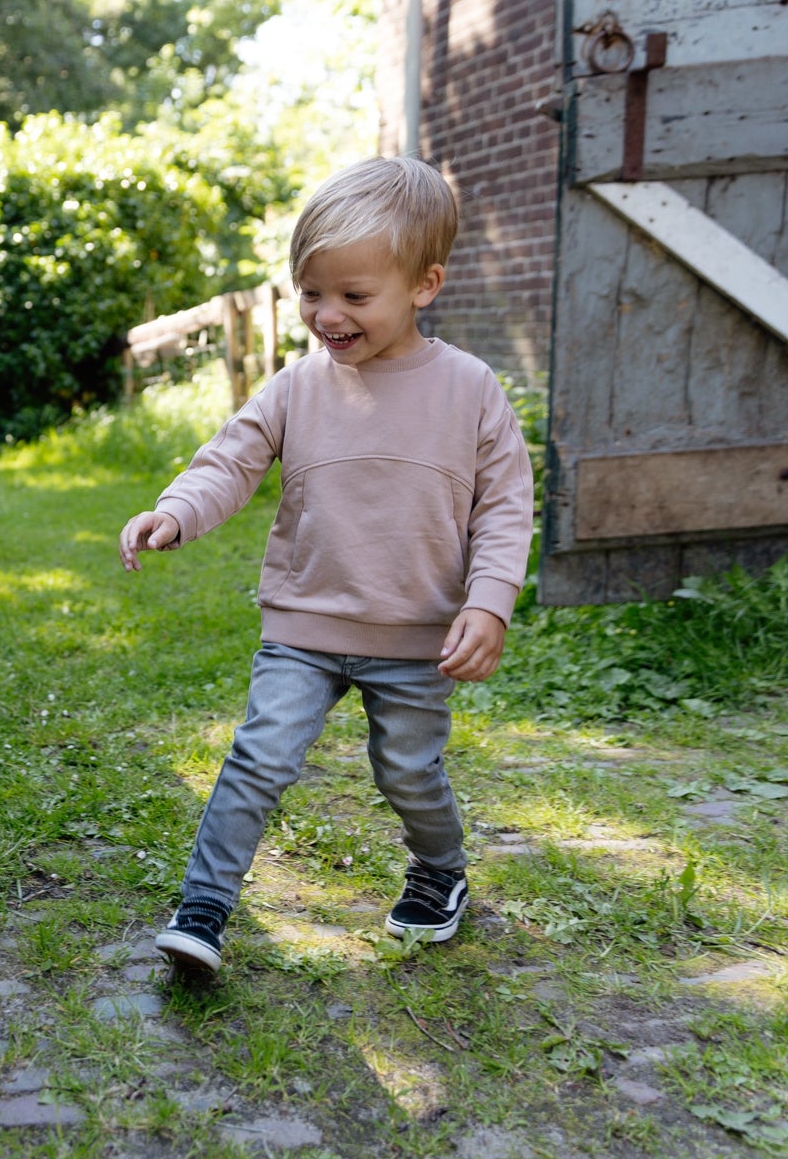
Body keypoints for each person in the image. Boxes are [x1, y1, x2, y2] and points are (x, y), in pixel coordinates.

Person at [117, 156, 534, 974]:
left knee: (406, 770)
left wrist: (488, 602)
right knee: (258, 758)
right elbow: (228, 460)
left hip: (415, 637)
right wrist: (175, 511)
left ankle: (438, 871)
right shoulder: (296, 386)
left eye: (353, 296)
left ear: (424, 286)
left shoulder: (469, 389)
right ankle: (204, 906)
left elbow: (504, 506)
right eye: (311, 293)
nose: (326, 315)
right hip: (303, 626)